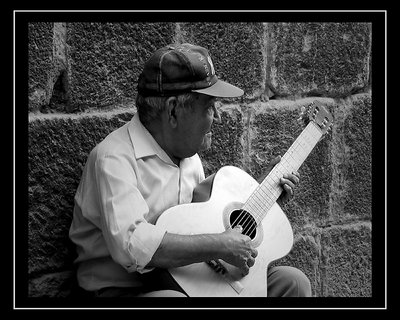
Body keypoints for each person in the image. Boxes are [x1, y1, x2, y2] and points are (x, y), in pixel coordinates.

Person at [69, 43, 312, 298]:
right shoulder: (113, 158)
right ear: (173, 110)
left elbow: (204, 221)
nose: (218, 117)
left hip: (185, 278)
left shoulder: (189, 157)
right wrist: (219, 245)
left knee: (292, 283)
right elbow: (133, 245)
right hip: (123, 290)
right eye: (209, 106)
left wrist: (264, 193)